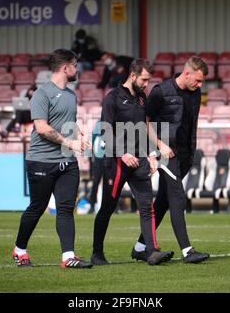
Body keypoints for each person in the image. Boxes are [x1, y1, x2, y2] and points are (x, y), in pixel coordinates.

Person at [12, 49, 93, 269]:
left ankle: (68, 257)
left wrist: (79, 133)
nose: (78, 69)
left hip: (67, 162)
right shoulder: (41, 94)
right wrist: (70, 143)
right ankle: (19, 249)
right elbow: (42, 128)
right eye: (75, 65)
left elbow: (67, 124)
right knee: (37, 207)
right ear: (65, 67)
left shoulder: (71, 95)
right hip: (41, 161)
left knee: (66, 209)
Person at [90, 59, 174, 266]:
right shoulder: (112, 98)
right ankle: (97, 253)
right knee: (107, 208)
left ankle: (151, 251)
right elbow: (105, 131)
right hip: (116, 163)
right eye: (144, 80)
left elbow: (143, 130)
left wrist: (151, 154)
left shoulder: (142, 98)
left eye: (148, 80)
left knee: (147, 208)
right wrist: (122, 153)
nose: (147, 84)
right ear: (133, 75)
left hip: (139, 162)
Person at [132, 56, 210, 264]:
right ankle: (187, 251)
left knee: (164, 202)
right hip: (166, 153)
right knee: (177, 197)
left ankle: (139, 248)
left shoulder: (196, 93)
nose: (200, 85)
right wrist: (160, 145)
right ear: (187, 73)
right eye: (198, 80)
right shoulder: (160, 92)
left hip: (185, 155)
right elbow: (144, 122)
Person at [88, 120, 104, 214]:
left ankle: (115, 206)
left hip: (110, 157)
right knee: (96, 182)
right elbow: (94, 139)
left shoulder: (114, 120)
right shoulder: (99, 124)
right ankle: (92, 205)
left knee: (111, 183)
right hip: (99, 157)